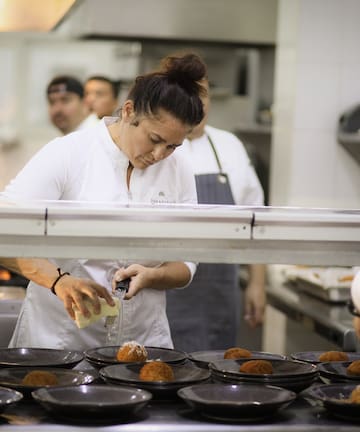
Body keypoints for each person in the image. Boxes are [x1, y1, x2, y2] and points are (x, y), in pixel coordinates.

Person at [0, 52, 206, 351]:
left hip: (143, 342)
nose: (160, 155)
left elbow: (189, 258)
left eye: (173, 146)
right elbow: (4, 230)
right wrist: (59, 281)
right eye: (154, 139)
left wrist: (154, 275)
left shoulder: (179, 167)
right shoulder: (70, 153)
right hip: (62, 340)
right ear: (128, 111)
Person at [166, 77, 266, 352]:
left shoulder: (229, 145)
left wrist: (257, 284)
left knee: (218, 371)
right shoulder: (162, 146)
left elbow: (255, 220)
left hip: (220, 289)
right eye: (188, 94)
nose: (197, 103)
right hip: (168, 287)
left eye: (203, 95)